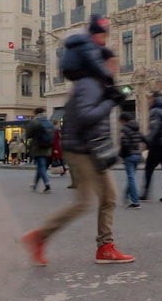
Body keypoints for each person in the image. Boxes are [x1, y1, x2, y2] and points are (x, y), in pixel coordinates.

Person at [20, 45, 132, 267]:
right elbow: (85, 116)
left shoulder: (96, 84)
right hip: (82, 150)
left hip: (90, 148)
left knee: (107, 197)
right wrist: (111, 101)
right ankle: (40, 237)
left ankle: (105, 246)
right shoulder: (90, 84)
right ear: (101, 64)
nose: (116, 68)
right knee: (85, 202)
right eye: (113, 64)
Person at [142, 93, 162, 202]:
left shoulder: (154, 111)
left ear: (154, 99)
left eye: (150, 99)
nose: (149, 101)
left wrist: (147, 140)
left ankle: (145, 193)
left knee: (148, 169)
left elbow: (154, 129)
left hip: (157, 145)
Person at [119, 110, 144, 208]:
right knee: (131, 176)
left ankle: (135, 202)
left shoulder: (124, 129)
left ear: (123, 120)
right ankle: (126, 195)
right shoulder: (136, 128)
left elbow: (124, 143)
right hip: (137, 154)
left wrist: (124, 154)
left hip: (129, 156)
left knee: (131, 177)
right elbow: (144, 139)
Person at [27, 107, 55, 193]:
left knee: (41, 166)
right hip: (48, 147)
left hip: (38, 147)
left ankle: (47, 185)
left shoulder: (34, 122)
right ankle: (34, 184)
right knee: (41, 166)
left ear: (35, 113)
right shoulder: (49, 122)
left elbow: (28, 134)